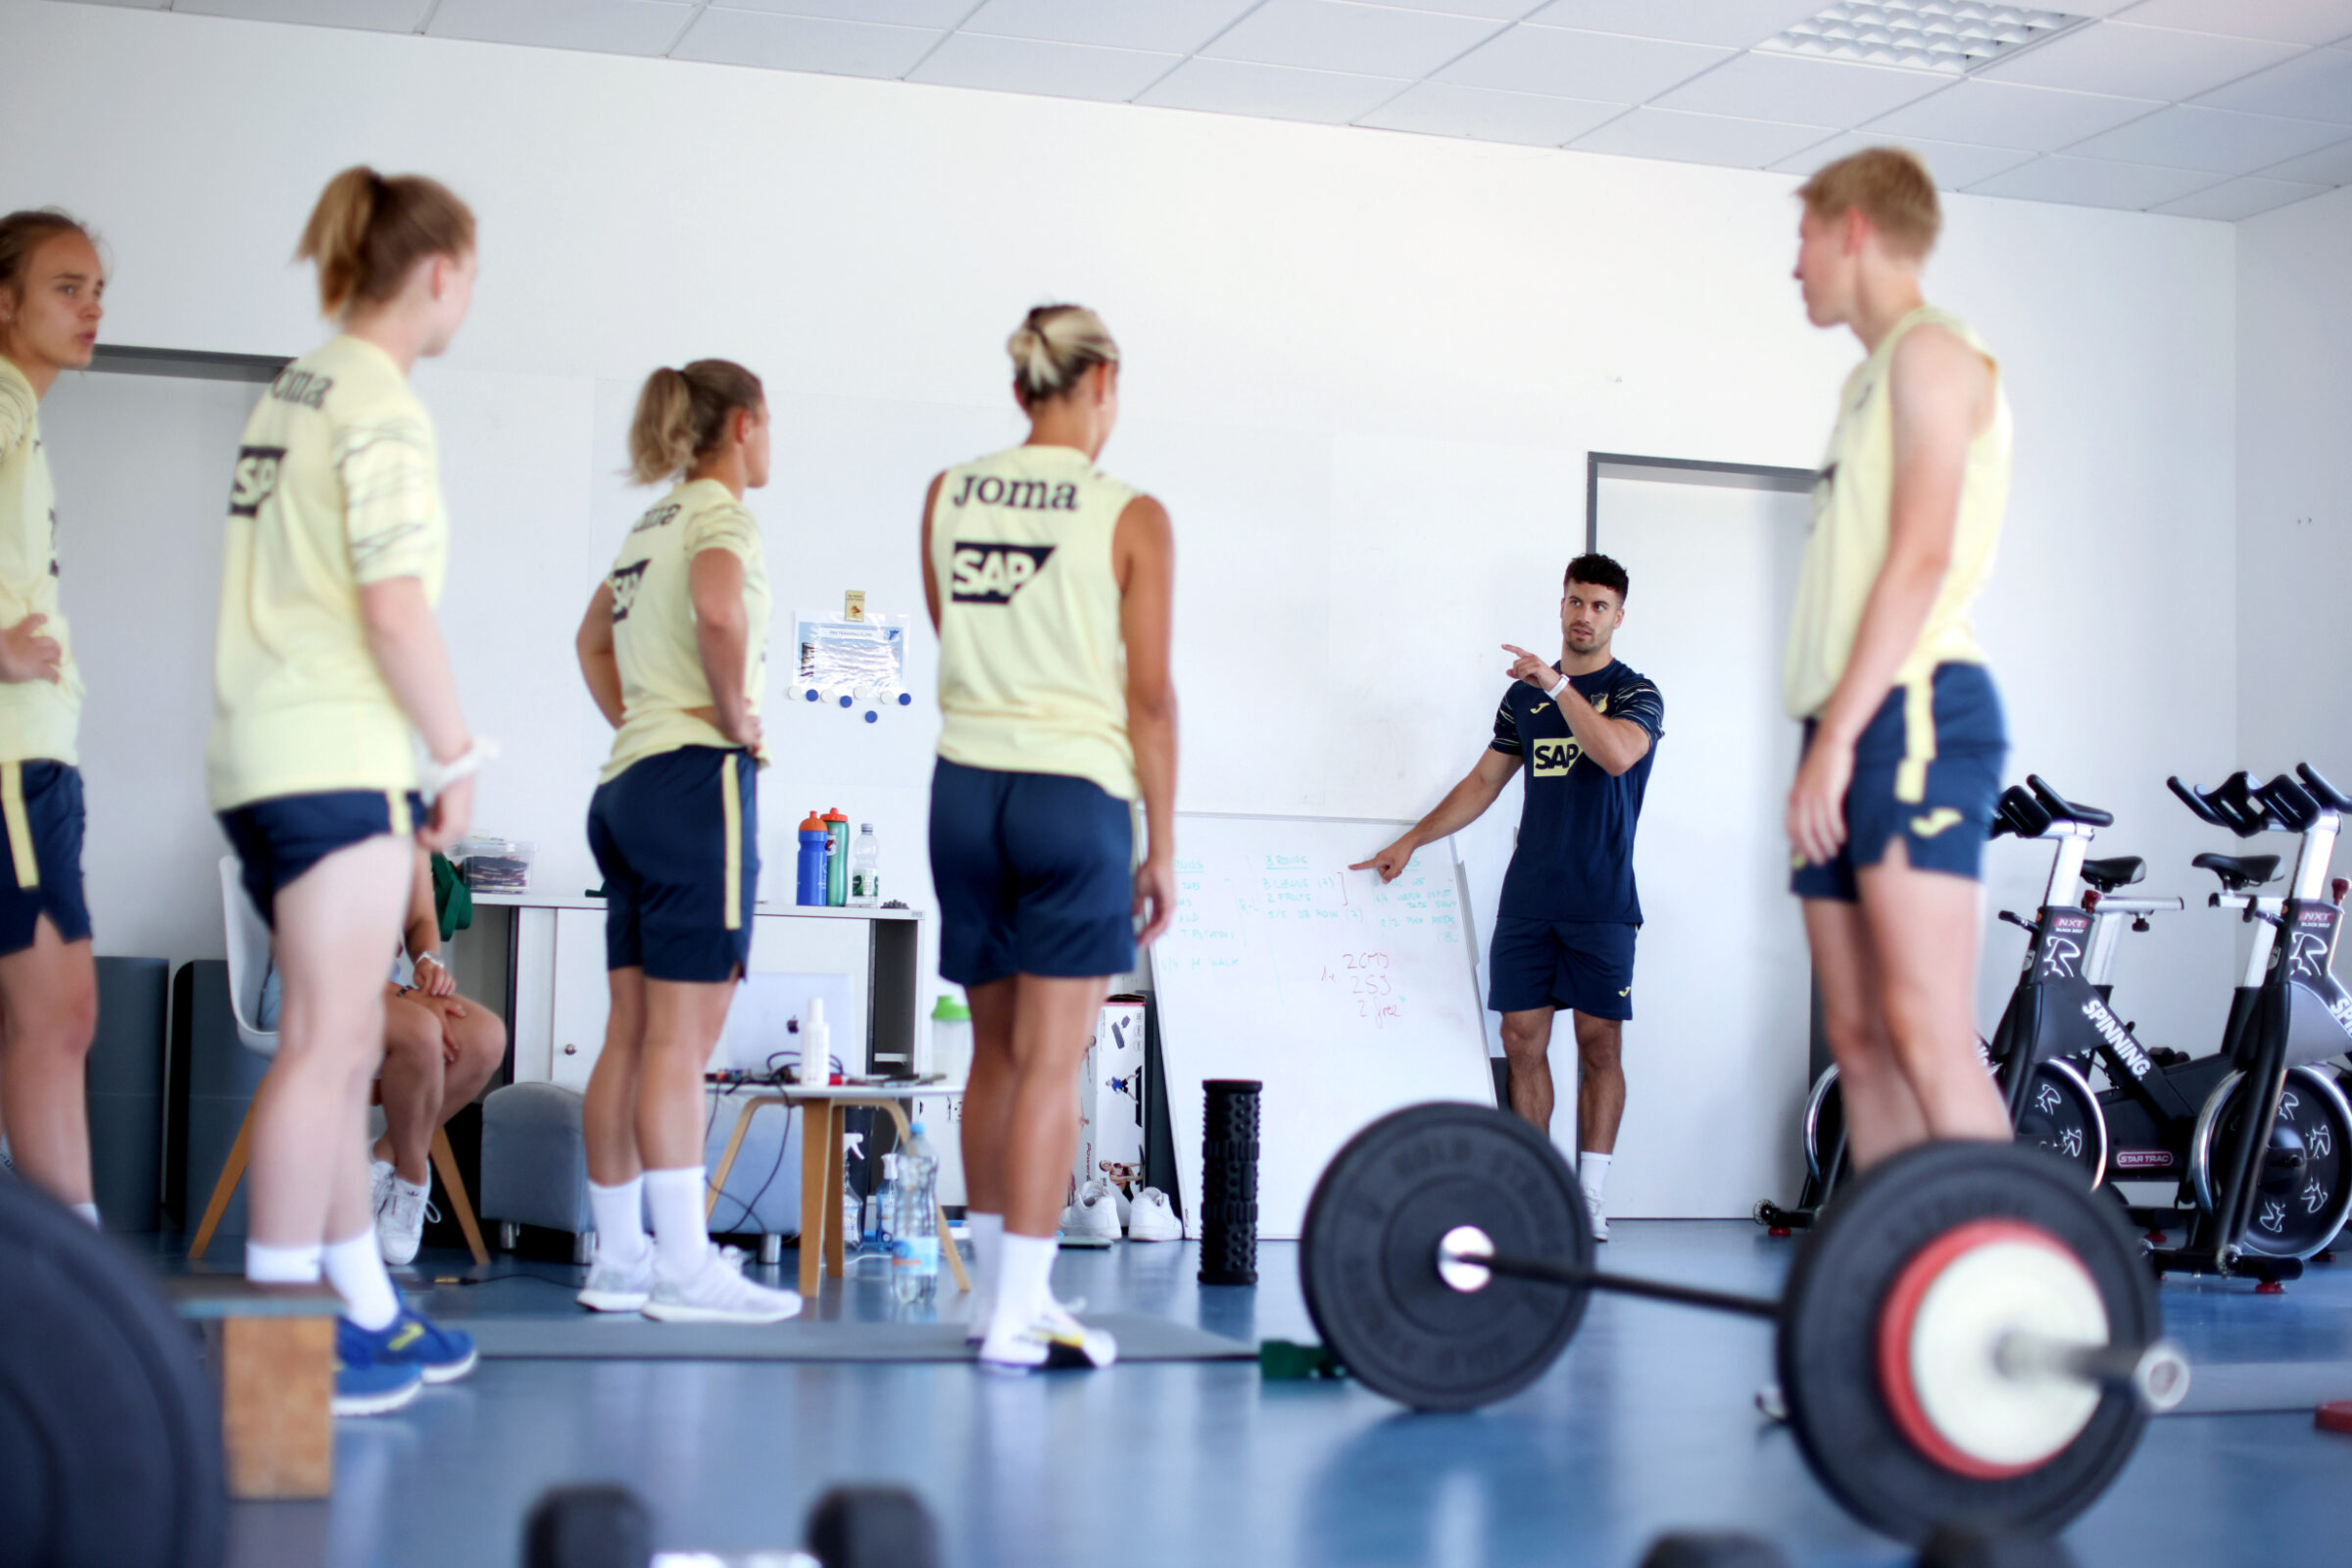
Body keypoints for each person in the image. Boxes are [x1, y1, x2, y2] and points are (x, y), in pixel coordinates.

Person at [208, 167, 482, 1416]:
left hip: (261, 753)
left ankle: (359, 1311)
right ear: (435, 273)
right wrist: (457, 756)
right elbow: (392, 605)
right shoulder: (380, 403)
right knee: (326, 1050)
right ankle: (279, 1354)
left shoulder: (295, 387)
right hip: (332, 756)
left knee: (334, 1038)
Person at [922, 304, 1177, 1373]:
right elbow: (1150, 697)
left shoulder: (948, 492)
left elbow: (954, 629)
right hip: (1071, 796)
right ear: (1103, 380)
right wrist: (1160, 841)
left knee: (993, 1052)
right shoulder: (1131, 513)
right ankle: (1021, 1311)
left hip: (964, 789)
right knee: (1053, 1060)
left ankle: (992, 1301)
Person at [1781, 147, 2012, 1169]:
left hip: (1911, 710)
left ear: (1855, 230)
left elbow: (1920, 558)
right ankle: (1904, 1297)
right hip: (1838, 720)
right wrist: (1823, 740)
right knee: (1862, 1044)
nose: (1795, 266)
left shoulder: (1932, 353)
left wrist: (1835, 745)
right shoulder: (1861, 385)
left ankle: (2011, 1288)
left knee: (1926, 1033)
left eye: (1804, 238)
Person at [571, 359, 799, 1325]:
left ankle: (621, 1259)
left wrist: (646, 718)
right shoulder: (718, 517)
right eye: (771, 423)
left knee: (630, 1034)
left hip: (627, 784)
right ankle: (686, 1266)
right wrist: (736, 717)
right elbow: (717, 605)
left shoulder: (646, 526)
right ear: (743, 424)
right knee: (679, 1041)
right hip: (695, 783)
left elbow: (590, 640)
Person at [1355, 555, 1661, 1240]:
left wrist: (1556, 686)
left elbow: (1615, 755)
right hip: (1528, 899)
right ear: (1561, 606)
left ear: (1618, 616)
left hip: (1602, 900)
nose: (1584, 616)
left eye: (1598, 606)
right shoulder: (1521, 700)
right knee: (1521, 1041)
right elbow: (1483, 784)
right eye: (1575, 602)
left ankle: (1588, 1196)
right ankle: (1534, 1191)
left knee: (1597, 1045)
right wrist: (1412, 841)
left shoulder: (1636, 693)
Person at [256, 847, 508, 1265]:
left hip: (380, 994)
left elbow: (421, 918)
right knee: (420, 1031)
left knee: (485, 1037)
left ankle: (378, 1159)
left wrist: (427, 964)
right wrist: (408, 997)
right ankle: (413, 1177)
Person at [0, 210, 103, 1226]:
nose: (91, 307)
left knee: (63, 1016)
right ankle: (67, 1282)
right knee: (51, 1016)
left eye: (97, 288)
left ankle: (72, 1262)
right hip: (11, 765)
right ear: (4, 300)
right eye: (66, 286)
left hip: (38, 764)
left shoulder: (23, 417)